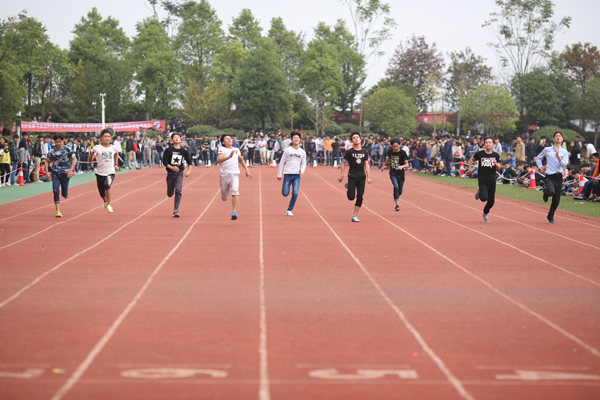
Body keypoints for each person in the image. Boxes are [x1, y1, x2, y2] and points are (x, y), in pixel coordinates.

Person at [217, 133, 253, 220]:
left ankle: (234, 212)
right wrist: (229, 157)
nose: (230, 139)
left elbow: (241, 160)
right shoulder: (222, 149)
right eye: (227, 139)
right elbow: (218, 160)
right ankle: (224, 195)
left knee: (235, 191)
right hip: (224, 175)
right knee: (224, 198)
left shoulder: (236, 149)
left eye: (230, 138)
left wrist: (247, 170)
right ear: (223, 142)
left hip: (235, 174)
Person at [537, 131, 569, 224]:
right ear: (553, 139)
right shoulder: (547, 149)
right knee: (551, 191)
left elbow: (564, 164)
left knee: (556, 200)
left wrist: (558, 156)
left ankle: (550, 216)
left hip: (559, 176)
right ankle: (546, 192)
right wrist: (540, 167)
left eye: (560, 136)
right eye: (556, 136)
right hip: (550, 175)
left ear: (562, 139)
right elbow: (538, 157)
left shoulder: (564, 152)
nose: (558, 137)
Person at [339, 132, 371, 222]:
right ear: (351, 141)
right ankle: (349, 185)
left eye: (357, 137)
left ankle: (354, 215)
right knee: (351, 197)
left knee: (360, 196)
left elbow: (367, 165)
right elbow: (343, 163)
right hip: (352, 176)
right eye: (354, 138)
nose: (356, 139)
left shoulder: (364, 152)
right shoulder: (350, 152)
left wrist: (368, 177)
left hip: (361, 176)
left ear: (360, 139)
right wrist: (342, 174)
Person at [467, 136, 501, 223]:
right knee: (483, 198)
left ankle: (485, 214)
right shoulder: (480, 154)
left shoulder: (496, 155)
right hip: (483, 179)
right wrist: (470, 169)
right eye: (486, 142)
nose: (488, 144)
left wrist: (496, 164)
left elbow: (499, 168)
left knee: (491, 202)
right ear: (484, 144)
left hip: (492, 179)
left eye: (490, 142)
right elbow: (471, 159)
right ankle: (480, 192)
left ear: (493, 144)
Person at [45, 133, 77, 217]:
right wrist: (47, 172)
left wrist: (70, 170)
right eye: (56, 142)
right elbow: (46, 161)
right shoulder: (52, 150)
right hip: (55, 173)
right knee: (55, 191)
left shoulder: (67, 149)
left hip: (65, 173)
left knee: (64, 193)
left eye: (60, 141)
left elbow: (75, 159)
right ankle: (58, 211)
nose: (58, 143)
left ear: (63, 141)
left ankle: (65, 193)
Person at [88, 128, 120, 213]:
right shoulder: (97, 148)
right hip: (100, 173)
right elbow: (90, 160)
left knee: (107, 185)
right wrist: (92, 153)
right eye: (105, 136)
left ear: (111, 138)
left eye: (109, 137)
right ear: (101, 138)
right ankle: (105, 201)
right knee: (101, 193)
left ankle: (109, 204)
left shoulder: (113, 147)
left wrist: (116, 164)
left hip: (110, 172)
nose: (107, 138)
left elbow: (116, 153)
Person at [163, 132, 192, 217]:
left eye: (178, 137)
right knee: (170, 194)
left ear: (180, 139)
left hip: (179, 173)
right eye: (174, 137)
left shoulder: (183, 151)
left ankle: (176, 210)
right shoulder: (168, 150)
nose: (176, 138)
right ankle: (170, 191)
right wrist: (172, 167)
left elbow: (189, 162)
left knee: (178, 190)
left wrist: (189, 171)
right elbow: (165, 162)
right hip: (170, 173)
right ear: (172, 140)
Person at [277, 131, 307, 216]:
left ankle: (289, 209)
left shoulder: (302, 152)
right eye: (294, 137)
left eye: (298, 138)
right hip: (287, 174)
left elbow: (304, 164)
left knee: (295, 193)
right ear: (291, 139)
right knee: (285, 193)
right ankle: (285, 190)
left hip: (297, 175)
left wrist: (302, 170)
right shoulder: (287, 150)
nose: (296, 139)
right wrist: (279, 174)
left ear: (300, 140)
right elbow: (282, 162)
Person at [381, 138, 409, 211]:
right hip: (393, 173)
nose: (395, 148)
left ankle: (397, 196)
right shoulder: (390, 152)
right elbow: (388, 159)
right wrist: (383, 165)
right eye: (394, 146)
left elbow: (407, 164)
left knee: (400, 191)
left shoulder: (402, 153)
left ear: (400, 145)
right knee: (396, 186)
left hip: (401, 174)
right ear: (391, 146)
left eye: (397, 146)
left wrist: (402, 166)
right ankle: (397, 205)